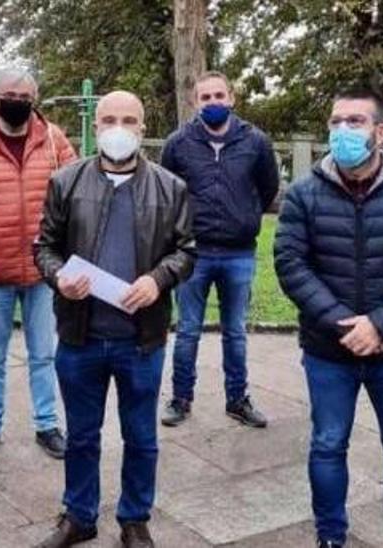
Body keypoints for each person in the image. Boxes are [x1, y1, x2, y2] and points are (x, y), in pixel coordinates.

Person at [273, 88, 383, 548]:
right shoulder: (303, 193)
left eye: (354, 121)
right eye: (335, 122)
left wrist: (380, 324)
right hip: (328, 350)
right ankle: (330, 537)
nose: (342, 131)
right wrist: (343, 324)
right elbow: (291, 265)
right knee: (328, 445)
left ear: (382, 132)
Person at [32, 91, 196, 548]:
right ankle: (79, 516)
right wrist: (58, 276)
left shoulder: (171, 187)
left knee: (141, 436)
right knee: (82, 436)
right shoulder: (66, 182)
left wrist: (159, 279)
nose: (117, 128)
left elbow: (187, 251)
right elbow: (43, 246)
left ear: (143, 129)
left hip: (140, 339)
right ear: (96, 126)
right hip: (81, 336)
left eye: (128, 120)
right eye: (108, 119)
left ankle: (134, 518)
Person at [0, 69, 77, 462]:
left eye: (24, 95)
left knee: (44, 352)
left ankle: (47, 423)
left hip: (43, 268)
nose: (16, 100)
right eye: (9, 94)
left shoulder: (55, 141)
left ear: (35, 98)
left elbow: (76, 193)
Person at [159, 71, 279, 429]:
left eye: (218, 95)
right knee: (188, 330)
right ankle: (181, 398)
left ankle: (237, 399)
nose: (212, 102)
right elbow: (167, 193)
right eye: (205, 97)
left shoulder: (256, 142)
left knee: (235, 331)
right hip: (193, 253)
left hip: (239, 253)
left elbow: (268, 187)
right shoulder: (178, 143)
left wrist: (244, 215)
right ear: (196, 102)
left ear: (232, 98)